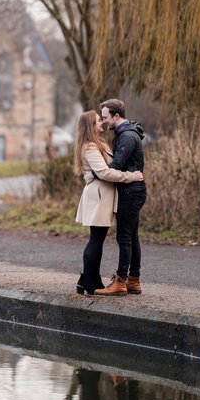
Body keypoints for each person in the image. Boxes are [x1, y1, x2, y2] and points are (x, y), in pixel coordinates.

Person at [74, 111, 144, 296]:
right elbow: (105, 172)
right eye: (98, 120)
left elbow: (108, 168)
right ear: (90, 125)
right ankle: (89, 280)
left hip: (103, 194)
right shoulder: (89, 147)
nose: (102, 123)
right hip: (99, 195)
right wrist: (131, 176)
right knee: (96, 239)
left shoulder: (99, 143)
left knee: (98, 238)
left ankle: (88, 280)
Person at [95, 99, 147, 297]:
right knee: (132, 237)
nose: (105, 121)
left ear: (117, 116)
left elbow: (116, 165)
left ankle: (121, 281)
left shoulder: (126, 137)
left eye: (106, 117)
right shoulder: (126, 134)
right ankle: (134, 280)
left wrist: (96, 171)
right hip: (133, 190)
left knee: (124, 237)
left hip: (131, 192)